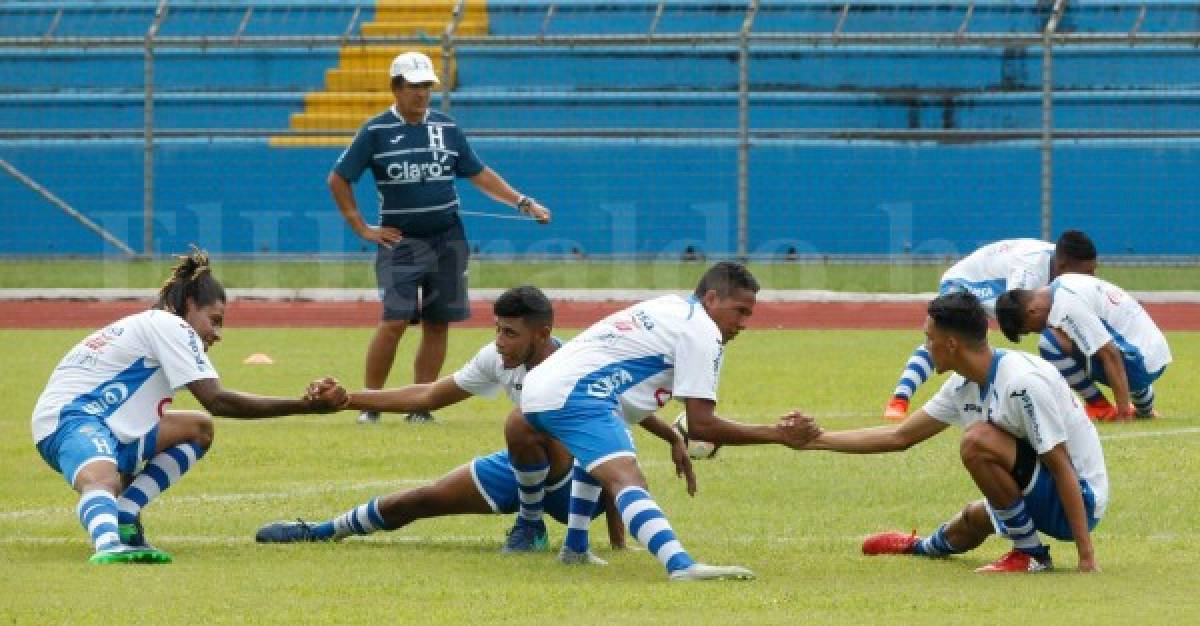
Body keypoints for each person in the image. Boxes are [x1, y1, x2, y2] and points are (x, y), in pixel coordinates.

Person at [257, 285, 698, 556]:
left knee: (528, 422)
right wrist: (349, 398)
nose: (499, 341)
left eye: (511, 332)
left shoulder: (577, 362)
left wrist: (619, 539)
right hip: (520, 466)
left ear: (542, 335)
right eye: (497, 329)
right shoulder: (497, 356)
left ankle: (529, 527)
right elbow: (429, 394)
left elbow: (618, 416)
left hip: (572, 483)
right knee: (420, 499)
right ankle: (316, 532)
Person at [30, 250, 347, 565]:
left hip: (108, 426)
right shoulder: (170, 325)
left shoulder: (153, 325)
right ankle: (109, 544)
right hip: (72, 420)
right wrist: (305, 406)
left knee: (197, 428)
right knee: (103, 481)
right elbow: (217, 400)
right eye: (215, 321)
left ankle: (125, 512)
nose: (217, 334)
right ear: (190, 306)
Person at [517, 261, 821, 581]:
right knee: (628, 479)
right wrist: (777, 434)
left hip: (547, 386)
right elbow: (702, 425)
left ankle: (575, 548)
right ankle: (680, 565)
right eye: (740, 311)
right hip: (574, 394)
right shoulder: (702, 332)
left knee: (599, 455)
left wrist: (673, 436)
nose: (744, 323)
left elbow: (630, 387)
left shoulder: (671, 306)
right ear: (712, 299)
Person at [799, 292, 1107, 573]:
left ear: (950, 345)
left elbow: (1060, 464)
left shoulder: (1022, 383)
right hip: (1041, 486)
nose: (924, 348)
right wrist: (817, 439)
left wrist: (1086, 556)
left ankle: (1031, 555)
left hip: (1080, 500)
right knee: (971, 520)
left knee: (977, 441)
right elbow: (900, 437)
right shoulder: (963, 383)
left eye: (928, 339)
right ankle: (919, 547)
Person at [328, 50, 551, 425]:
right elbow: (338, 178)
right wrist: (362, 228)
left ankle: (421, 405)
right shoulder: (375, 131)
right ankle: (371, 404)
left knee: (437, 322)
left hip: (448, 238)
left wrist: (522, 202)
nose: (422, 94)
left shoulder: (447, 128)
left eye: (427, 86)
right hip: (400, 242)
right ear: (396, 88)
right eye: (414, 86)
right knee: (395, 321)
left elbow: (479, 173)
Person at [883, 231, 1098, 421]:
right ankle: (899, 400)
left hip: (999, 290)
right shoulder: (1029, 271)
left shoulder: (1065, 261)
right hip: (966, 283)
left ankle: (1099, 406)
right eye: (1087, 274)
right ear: (1063, 266)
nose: (1091, 278)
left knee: (1059, 337)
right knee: (942, 339)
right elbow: (1013, 314)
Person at [995, 273, 1171, 421]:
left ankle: (1102, 408)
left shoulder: (1067, 306)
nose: (1034, 332)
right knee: (1081, 338)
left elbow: (1110, 354)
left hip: (1139, 363)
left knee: (1049, 343)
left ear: (1032, 311)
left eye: (1028, 330)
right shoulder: (1064, 282)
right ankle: (1145, 411)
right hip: (1154, 353)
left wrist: (1123, 414)